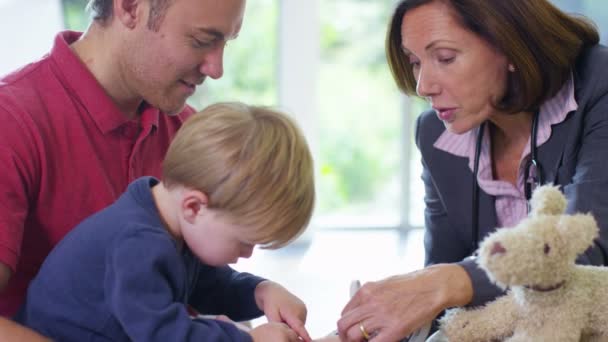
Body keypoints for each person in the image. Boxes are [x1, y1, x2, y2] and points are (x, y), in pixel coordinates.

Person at [337, 1, 608, 341]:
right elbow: (445, 298)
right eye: (415, 62)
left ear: (510, 43)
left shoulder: (601, 83)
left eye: (445, 58)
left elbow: (584, 246)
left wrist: (444, 283)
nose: (423, 85)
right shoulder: (436, 134)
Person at [0, 0, 246, 319]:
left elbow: (206, 287)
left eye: (225, 42)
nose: (217, 68)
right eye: (202, 41)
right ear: (130, 8)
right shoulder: (13, 124)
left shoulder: (190, 134)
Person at [15, 102, 316, 342]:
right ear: (195, 207)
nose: (248, 253)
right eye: (244, 241)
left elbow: (210, 284)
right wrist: (248, 340)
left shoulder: (173, 225)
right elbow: (162, 334)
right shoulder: (137, 243)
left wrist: (261, 291)